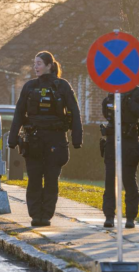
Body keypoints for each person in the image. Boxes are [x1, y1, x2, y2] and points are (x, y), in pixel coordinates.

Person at [8, 51, 83, 227]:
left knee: (51, 179)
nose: (36, 67)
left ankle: (46, 215)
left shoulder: (62, 86)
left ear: (49, 66)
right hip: (33, 140)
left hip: (55, 139)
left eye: (39, 63)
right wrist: (12, 139)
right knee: (34, 178)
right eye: (35, 63)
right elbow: (19, 113)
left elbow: (74, 112)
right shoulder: (29, 87)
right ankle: (35, 215)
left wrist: (76, 138)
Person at [100, 87, 139, 228]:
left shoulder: (137, 93)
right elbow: (106, 111)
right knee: (110, 179)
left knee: (128, 180)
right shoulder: (111, 93)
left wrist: (129, 103)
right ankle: (109, 216)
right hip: (111, 141)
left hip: (129, 141)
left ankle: (130, 217)